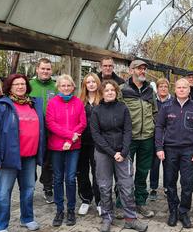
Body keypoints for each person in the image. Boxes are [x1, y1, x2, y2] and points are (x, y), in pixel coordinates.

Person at [0, 73, 45, 232]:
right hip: (8, 158)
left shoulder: (33, 104)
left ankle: (27, 218)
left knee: (28, 190)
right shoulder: (2, 105)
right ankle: (1, 226)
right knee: (4, 193)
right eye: (16, 84)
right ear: (9, 87)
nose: (20, 86)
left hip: (29, 157)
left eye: (23, 84)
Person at [91, 80, 148, 232]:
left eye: (112, 90)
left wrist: (123, 152)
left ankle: (130, 219)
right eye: (106, 90)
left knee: (127, 186)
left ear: (116, 92)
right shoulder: (96, 111)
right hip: (103, 153)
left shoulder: (123, 108)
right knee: (104, 186)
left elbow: (128, 131)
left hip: (123, 153)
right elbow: (96, 135)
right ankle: (107, 217)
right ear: (101, 93)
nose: (109, 92)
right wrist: (112, 152)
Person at [155, 78, 193, 228]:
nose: (182, 89)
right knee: (170, 183)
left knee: (187, 184)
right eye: (179, 87)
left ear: (189, 89)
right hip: (169, 150)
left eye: (185, 87)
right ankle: (173, 211)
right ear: (175, 89)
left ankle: (184, 212)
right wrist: (159, 148)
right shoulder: (166, 107)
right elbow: (159, 127)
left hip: (189, 151)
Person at [46, 74, 87, 227]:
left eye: (68, 85)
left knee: (70, 178)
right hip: (56, 146)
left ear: (73, 87)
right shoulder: (52, 103)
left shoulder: (78, 103)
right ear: (58, 87)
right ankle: (59, 210)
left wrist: (70, 140)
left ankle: (70, 209)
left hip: (73, 146)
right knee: (57, 178)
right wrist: (69, 135)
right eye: (63, 85)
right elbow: (50, 123)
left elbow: (82, 123)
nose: (66, 88)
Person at [119, 59, 157, 218]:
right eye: (139, 68)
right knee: (125, 174)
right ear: (131, 70)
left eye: (144, 69)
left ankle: (140, 202)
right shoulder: (122, 90)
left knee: (142, 172)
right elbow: (117, 113)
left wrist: (155, 130)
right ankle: (122, 205)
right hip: (129, 139)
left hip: (147, 137)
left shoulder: (150, 90)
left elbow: (155, 112)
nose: (142, 71)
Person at [29, 57, 57, 204]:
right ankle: (28, 188)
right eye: (43, 69)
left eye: (48, 69)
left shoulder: (56, 86)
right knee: (31, 159)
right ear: (37, 69)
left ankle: (48, 188)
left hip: (51, 130)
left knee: (49, 161)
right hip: (33, 130)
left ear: (51, 70)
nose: (45, 71)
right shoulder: (29, 85)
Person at [77, 73, 102, 216]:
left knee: (98, 172)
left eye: (93, 81)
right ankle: (86, 199)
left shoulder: (103, 100)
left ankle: (99, 201)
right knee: (82, 172)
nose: (91, 84)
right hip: (81, 142)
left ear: (98, 83)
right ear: (84, 85)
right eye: (88, 82)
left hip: (98, 143)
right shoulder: (79, 101)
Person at [148, 78, 172, 201]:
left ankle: (168, 187)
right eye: (161, 86)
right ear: (157, 88)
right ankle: (153, 187)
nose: (163, 88)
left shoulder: (173, 102)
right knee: (154, 164)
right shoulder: (153, 101)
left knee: (168, 164)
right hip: (155, 136)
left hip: (169, 137)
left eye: (165, 86)